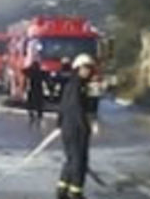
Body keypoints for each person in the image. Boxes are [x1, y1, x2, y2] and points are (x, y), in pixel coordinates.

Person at [56, 54, 98, 199]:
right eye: (86, 68)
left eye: (90, 68)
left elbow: (62, 107)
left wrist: (60, 124)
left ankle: (62, 190)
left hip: (69, 128)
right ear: (78, 68)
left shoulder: (73, 84)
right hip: (76, 129)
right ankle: (76, 192)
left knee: (71, 160)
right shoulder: (77, 86)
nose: (88, 71)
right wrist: (85, 126)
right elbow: (76, 108)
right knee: (79, 161)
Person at [22, 60, 47, 126]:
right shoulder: (40, 73)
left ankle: (32, 114)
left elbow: (24, 71)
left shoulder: (31, 72)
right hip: (38, 89)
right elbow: (46, 77)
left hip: (32, 89)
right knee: (39, 103)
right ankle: (39, 115)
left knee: (30, 103)